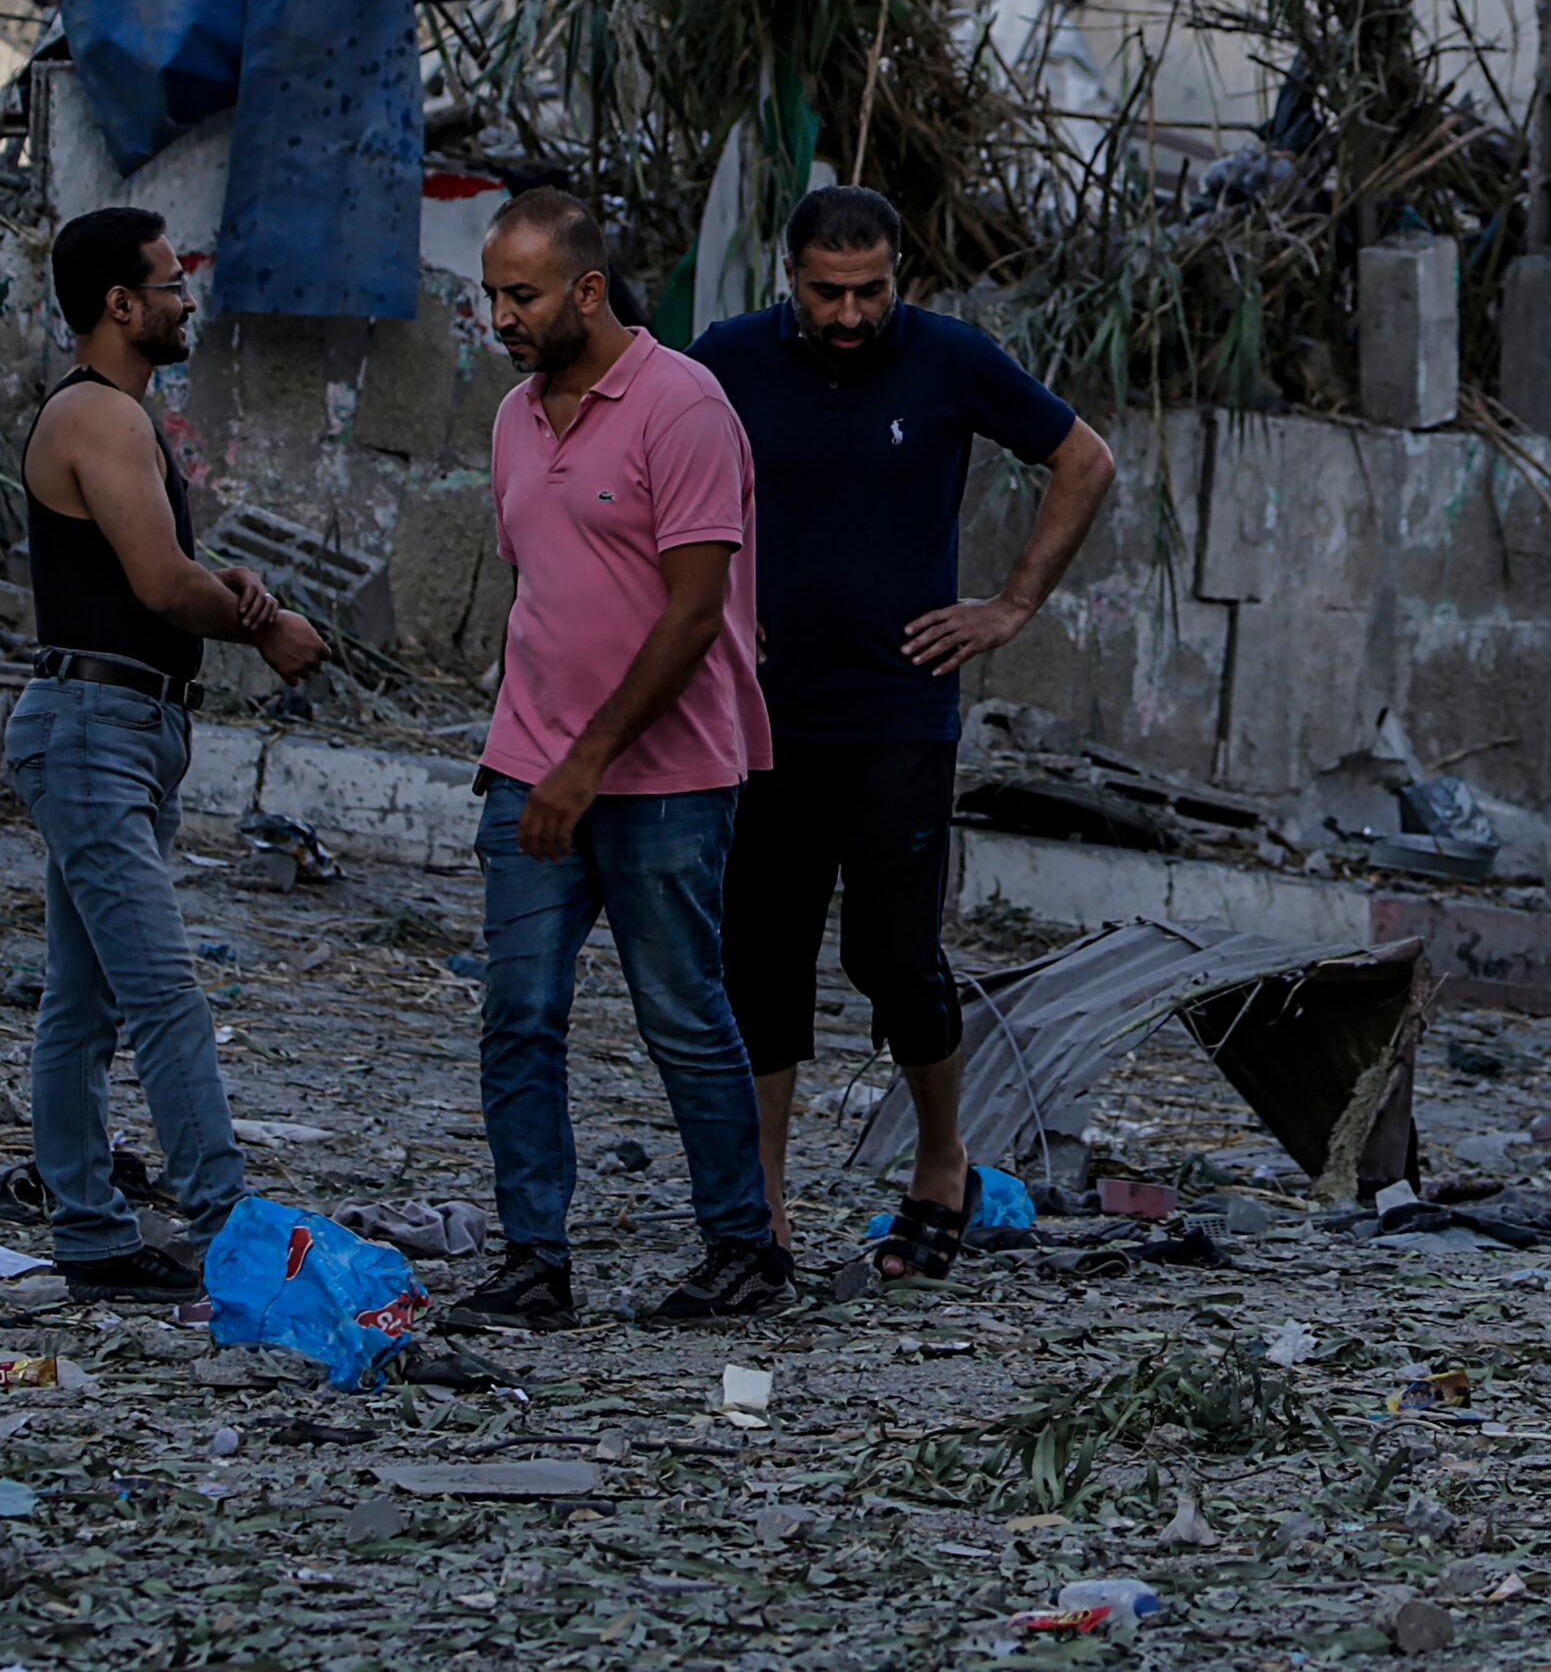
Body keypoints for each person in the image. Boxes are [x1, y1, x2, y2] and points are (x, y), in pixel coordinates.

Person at [692, 182, 1117, 1281]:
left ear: (899, 276)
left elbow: (1085, 461)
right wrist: (714, 610)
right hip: (763, 718)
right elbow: (660, 485)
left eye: (868, 291)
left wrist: (1011, 604)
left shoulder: (948, 357)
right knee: (760, 963)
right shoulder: (725, 361)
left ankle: (941, 1162)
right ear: (789, 278)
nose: (847, 314)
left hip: (900, 712)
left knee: (892, 954)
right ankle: (764, 1211)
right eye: (826, 292)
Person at [451, 185, 795, 1328]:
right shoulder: (510, 419)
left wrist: (586, 762)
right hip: (531, 769)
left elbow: (695, 615)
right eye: (493, 292)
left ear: (586, 291)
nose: (501, 315)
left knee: (682, 1013)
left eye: (523, 294)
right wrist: (525, 753)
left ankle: (744, 1250)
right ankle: (532, 1262)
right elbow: (541, 593)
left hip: (665, 780)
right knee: (517, 1015)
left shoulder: (681, 408)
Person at [7, 207, 325, 1293]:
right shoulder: (100, 416)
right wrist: (262, 624)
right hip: (95, 729)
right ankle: (225, 1218)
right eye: (170, 282)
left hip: (115, 726)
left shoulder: (113, 418)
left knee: (85, 1001)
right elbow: (154, 581)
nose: (187, 300)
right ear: (120, 305)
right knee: (160, 992)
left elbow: (155, 569)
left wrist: (220, 582)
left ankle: (92, 1235)